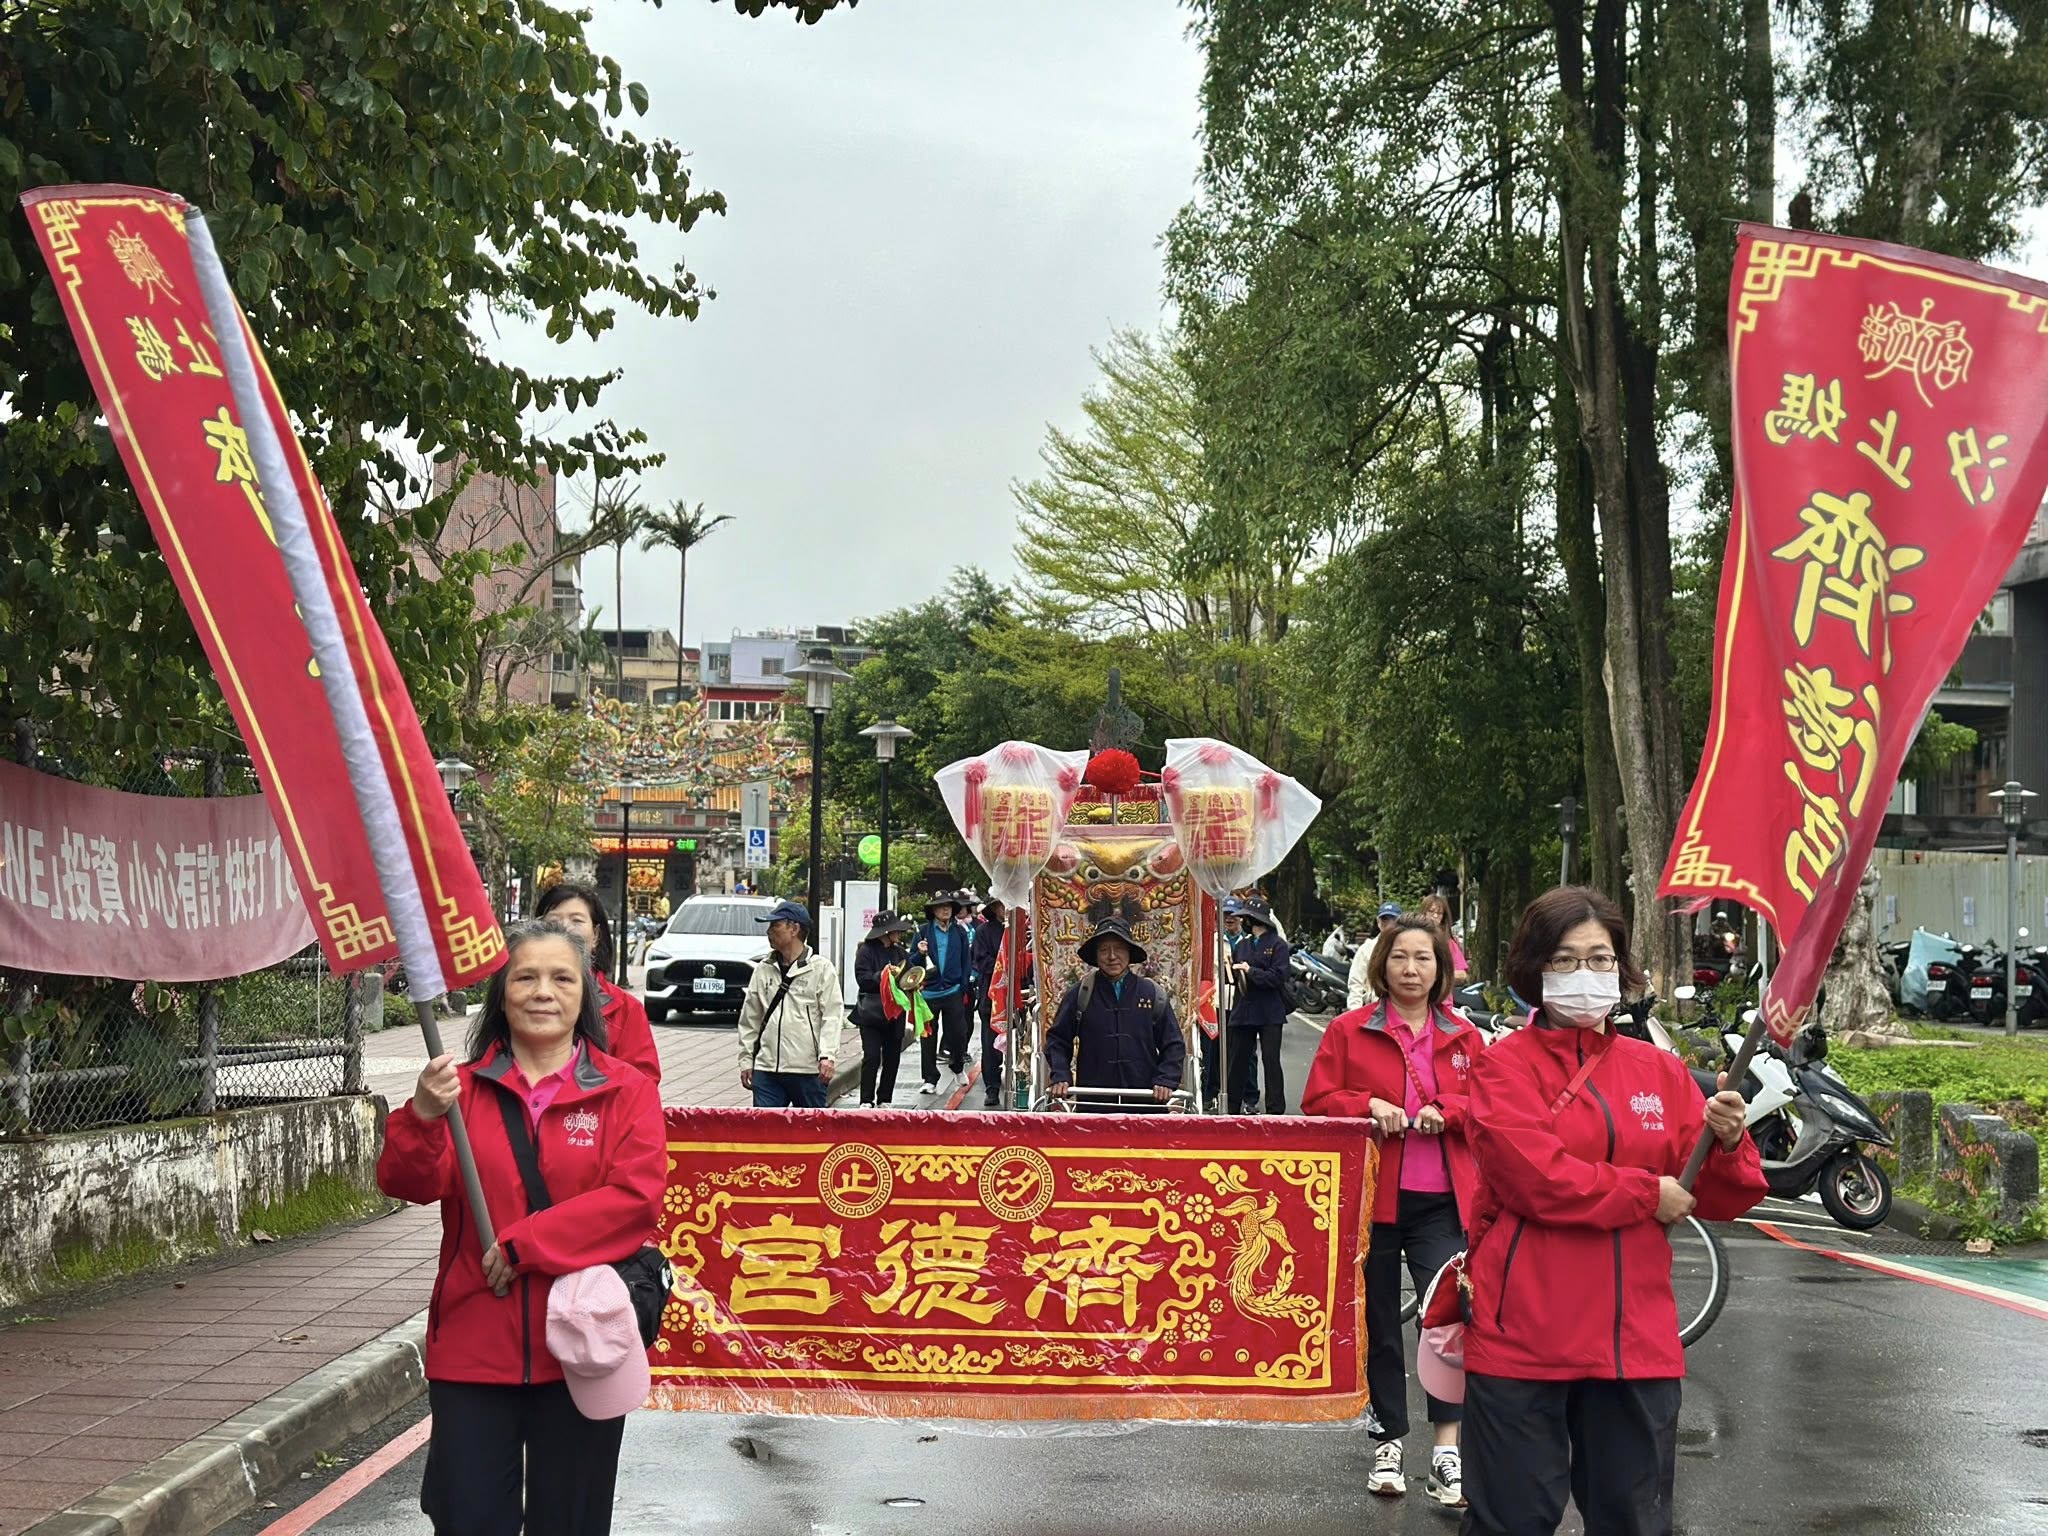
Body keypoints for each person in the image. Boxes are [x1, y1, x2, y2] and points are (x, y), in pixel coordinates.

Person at [1459, 886, 1766, 1536]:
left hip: (1634, 1342)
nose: (1586, 973)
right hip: (1525, 1336)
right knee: (1511, 1521)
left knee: (1635, 1523)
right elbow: (1536, 1180)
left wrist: (1729, 1141)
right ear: (1535, 968)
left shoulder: (1660, 1071)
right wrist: (1647, 1194)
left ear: (1621, 967)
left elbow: (1721, 1195)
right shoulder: (1501, 1068)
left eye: (1600, 959)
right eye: (1565, 959)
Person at [377, 919, 665, 1536]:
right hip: (473, 1347)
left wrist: (523, 1243)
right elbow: (408, 1182)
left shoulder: (627, 1092)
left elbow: (635, 1200)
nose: (543, 992)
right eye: (525, 977)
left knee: (572, 1523)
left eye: (562, 978)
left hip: (584, 1351)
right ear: (501, 994)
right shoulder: (461, 1093)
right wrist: (422, 1116)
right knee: (467, 1519)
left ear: (586, 995)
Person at [1302, 915, 1485, 1506]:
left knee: (1445, 1323)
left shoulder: (1465, 1036)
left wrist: (1447, 1110)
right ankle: (1388, 1442)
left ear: (1441, 968)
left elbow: (1486, 1105)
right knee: (1379, 1325)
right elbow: (1316, 1102)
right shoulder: (1349, 1031)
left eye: (1423, 958)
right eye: (1400, 957)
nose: (1411, 969)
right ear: (1383, 965)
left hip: (1443, 1202)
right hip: (1370, 1200)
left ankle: (1447, 1452)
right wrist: (1367, 1104)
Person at [1044, 915, 1185, 1112]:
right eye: (1104, 950)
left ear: (1129, 952)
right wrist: (1061, 1075)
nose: (1112, 956)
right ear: (1096, 955)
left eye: (1119, 948)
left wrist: (1166, 1079)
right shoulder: (1081, 993)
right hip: (1094, 1104)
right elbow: (1058, 1040)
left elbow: (1173, 1044)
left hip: (1144, 1104)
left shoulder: (1152, 993)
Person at [534, 882, 660, 1087]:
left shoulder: (626, 1009)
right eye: (554, 920)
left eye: (576, 920)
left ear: (596, 936)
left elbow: (642, 1085)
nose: (564, 928)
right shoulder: (518, 998)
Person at [735, 900, 844, 1109]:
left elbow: (832, 1016)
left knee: (812, 1128)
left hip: (808, 1070)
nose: (769, 931)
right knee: (766, 1128)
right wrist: (746, 1060)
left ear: (794, 929)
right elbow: (750, 1018)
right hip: (767, 1070)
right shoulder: (763, 969)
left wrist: (828, 1055)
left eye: (775, 925)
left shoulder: (821, 969)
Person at [1228, 900, 1291, 1114]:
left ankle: (1275, 1109)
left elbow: (1278, 977)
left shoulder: (1278, 945)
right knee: (1238, 1060)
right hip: (1244, 1009)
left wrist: (1251, 971)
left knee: (1271, 1061)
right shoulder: (1242, 945)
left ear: (1253, 919)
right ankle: (1232, 1107)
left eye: (1245, 917)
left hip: (1269, 1011)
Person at [912, 892, 976, 1095]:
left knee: (958, 1034)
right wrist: (919, 953)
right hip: (928, 993)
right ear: (933, 910)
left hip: (953, 991)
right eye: (941, 906)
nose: (945, 909)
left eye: (948, 906)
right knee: (928, 1038)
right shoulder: (922, 932)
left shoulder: (959, 932)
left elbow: (966, 960)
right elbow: (911, 962)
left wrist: (963, 985)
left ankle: (957, 1066)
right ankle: (930, 1078)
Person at [852, 911, 914, 1108]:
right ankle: (866, 1099)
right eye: (895, 930)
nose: (898, 934)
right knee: (871, 1056)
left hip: (895, 1014)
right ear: (885, 932)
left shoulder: (900, 953)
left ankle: (885, 1098)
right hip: (872, 1013)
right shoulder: (866, 951)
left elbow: (909, 973)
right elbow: (863, 979)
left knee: (892, 1058)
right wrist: (883, 976)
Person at [972, 897, 1010, 1108]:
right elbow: (981, 961)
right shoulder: (983, 932)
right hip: (992, 996)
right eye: (1003, 905)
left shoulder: (1022, 931)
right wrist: (1004, 966)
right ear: (995, 908)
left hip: (1018, 996)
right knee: (990, 1045)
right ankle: (992, 1088)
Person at [1348, 902, 1403, 1010]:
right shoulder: (1366, 949)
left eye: (1393, 920)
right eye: (1385, 920)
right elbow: (1356, 983)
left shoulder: (1407, 947)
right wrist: (1355, 1011)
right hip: (1374, 1008)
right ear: (1378, 922)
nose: (1389, 924)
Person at [1419, 894, 1471, 983]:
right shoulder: (1413, 939)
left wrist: (1437, 976)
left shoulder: (1448, 943)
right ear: (1423, 913)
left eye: (1439, 913)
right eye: (1431, 911)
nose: (1435, 916)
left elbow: (1462, 974)